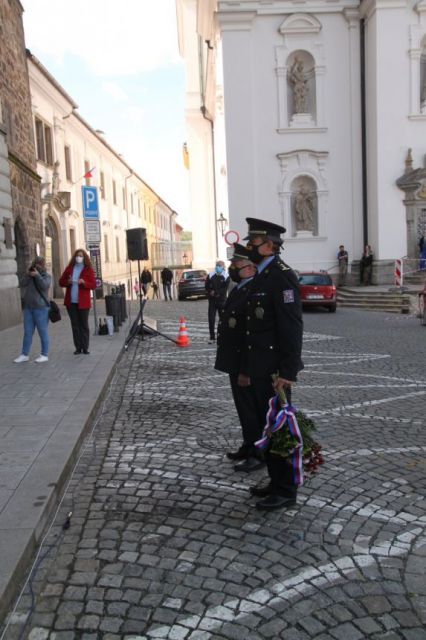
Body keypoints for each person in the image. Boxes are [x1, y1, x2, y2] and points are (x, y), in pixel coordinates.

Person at [241, 217, 304, 511]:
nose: (248, 246)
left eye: (252, 242)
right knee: (268, 427)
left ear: (268, 245)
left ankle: (286, 490)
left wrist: (289, 370)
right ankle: (275, 480)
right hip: (259, 367)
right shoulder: (262, 275)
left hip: (275, 370)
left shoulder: (281, 276)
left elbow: (291, 326)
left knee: (280, 429)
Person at [214, 244, 263, 472]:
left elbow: (249, 335)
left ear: (251, 268)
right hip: (234, 360)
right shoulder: (239, 287)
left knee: (251, 410)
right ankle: (247, 444)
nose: (233, 268)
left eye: (237, 264)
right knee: (242, 408)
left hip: (245, 363)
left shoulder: (253, 290)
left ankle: (257, 452)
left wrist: (246, 369)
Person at [14, 256, 52, 363]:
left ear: (43, 265)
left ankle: (44, 354)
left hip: (41, 309)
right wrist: (27, 274)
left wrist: (38, 276)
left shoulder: (47, 276)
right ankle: (24, 354)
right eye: (36, 264)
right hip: (28, 308)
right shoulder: (30, 276)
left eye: (39, 264)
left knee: (42, 332)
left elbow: (44, 286)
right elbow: (21, 283)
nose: (37, 266)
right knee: (28, 332)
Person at [59, 249, 96, 354]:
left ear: (84, 258)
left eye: (80, 256)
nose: (78, 258)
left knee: (84, 325)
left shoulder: (88, 270)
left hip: (83, 302)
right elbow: (61, 282)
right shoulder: (69, 268)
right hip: (71, 303)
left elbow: (93, 285)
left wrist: (84, 282)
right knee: (75, 325)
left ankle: (85, 347)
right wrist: (68, 282)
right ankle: (78, 347)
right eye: (77, 256)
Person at [205, 260, 230, 344]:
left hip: (222, 301)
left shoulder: (226, 276)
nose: (218, 267)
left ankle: (222, 336)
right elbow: (206, 286)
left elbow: (224, 289)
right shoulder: (211, 275)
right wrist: (210, 292)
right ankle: (212, 337)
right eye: (217, 265)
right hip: (212, 301)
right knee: (211, 319)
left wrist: (216, 293)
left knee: (223, 319)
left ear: (223, 267)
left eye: (219, 265)